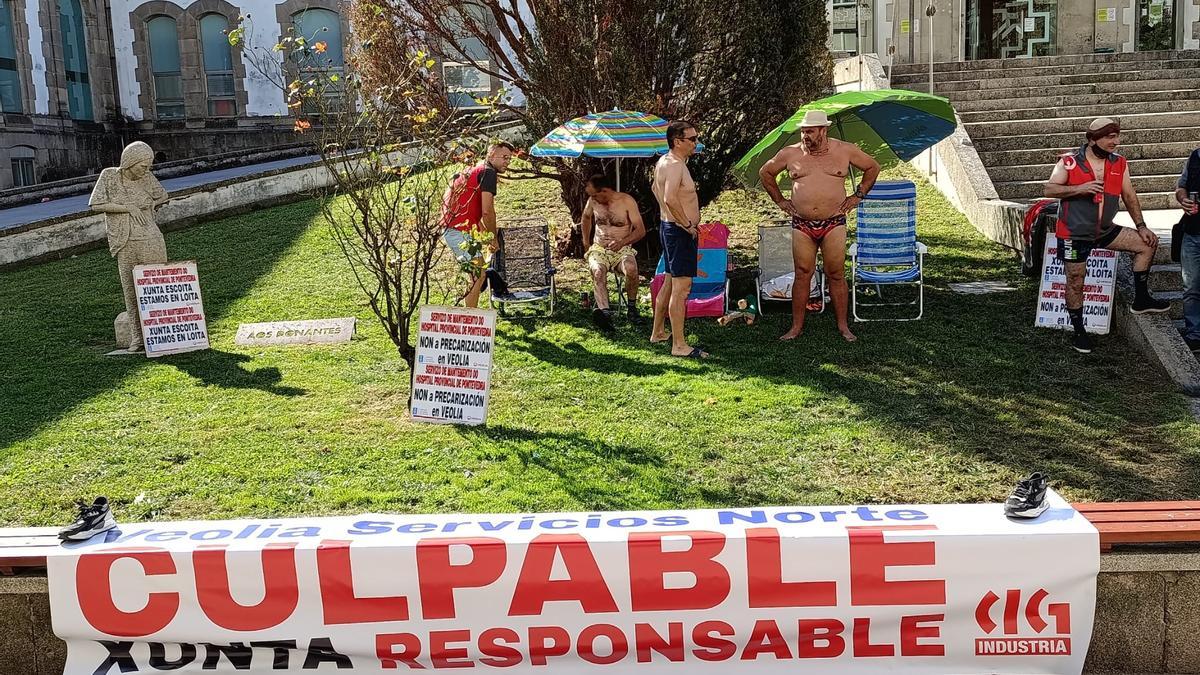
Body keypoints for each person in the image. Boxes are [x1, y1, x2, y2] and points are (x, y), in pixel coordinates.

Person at [1043, 117, 1169, 354]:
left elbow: (1129, 195)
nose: (1116, 142)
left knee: (1147, 244)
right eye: (1110, 137)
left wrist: (1142, 226)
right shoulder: (1069, 161)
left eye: (1117, 136)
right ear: (1093, 139)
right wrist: (1079, 188)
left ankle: (1141, 300)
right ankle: (1079, 332)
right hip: (1074, 233)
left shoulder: (1119, 162)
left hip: (1105, 230)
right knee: (1076, 280)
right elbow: (1049, 188)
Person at [758, 110, 880, 342]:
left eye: (810, 132)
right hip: (802, 223)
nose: (805, 136)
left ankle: (843, 326)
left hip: (834, 221)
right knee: (803, 273)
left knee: (836, 273)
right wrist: (780, 201)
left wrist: (858, 196)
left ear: (823, 130)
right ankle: (796, 327)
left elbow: (873, 167)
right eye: (803, 131)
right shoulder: (790, 153)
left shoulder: (844, 150)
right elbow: (766, 172)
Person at [89, 141, 170, 352]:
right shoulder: (110, 176)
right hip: (125, 241)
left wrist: (152, 204)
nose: (146, 170)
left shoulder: (147, 177)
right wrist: (127, 208)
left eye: (148, 166)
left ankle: (161, 334)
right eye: (142, 166)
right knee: (131, 290)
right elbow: (96, 204)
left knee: (157, 286)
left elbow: (163, 195)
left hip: (151, 238)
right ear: (130, 162)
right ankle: (137, 336)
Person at [650, 120, 708, 358]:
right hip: (679, 231)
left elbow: (654, 189)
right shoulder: (674, 165)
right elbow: (669, 198)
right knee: (682, 289)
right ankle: (680, 345)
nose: (696, 143)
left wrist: (669, 217)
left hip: (669, 227)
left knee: (669, 281)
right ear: (677, 141)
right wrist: (686, 224)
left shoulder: (664, 161)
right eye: (692, 139)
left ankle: (658, 332)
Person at [440, 141, 515, 308]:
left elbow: (471, 211)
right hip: (457, 230)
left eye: (509, 159)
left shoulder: (474, 169)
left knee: (477, 274)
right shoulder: (488, 172)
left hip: (453, 227)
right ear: (491, 154)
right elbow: (487, 211)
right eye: (504, 157)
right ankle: (469, 315)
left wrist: (486, 236)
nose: (507, 162)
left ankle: (470, 312)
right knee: (478, 275)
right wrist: (493, 238)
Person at [581, 174, 646, 329]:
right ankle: (605, 314)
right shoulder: (593, 201)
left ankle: (632, 308)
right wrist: (586, 242)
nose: (593, 198)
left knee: (631, 268)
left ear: (604, 191)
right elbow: (586, 217)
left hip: (622, 248)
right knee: (598, 271)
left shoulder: (626, 201)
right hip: (599, 248)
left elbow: (641, 230)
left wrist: (622, 242)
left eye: (595, 195)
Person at [1175, 146, 1200, 351]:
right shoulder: (1195, 156)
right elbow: (1181, 186)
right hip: (1192, 232)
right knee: (1190, 287)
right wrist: (1182, 198)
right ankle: (1194, 334)